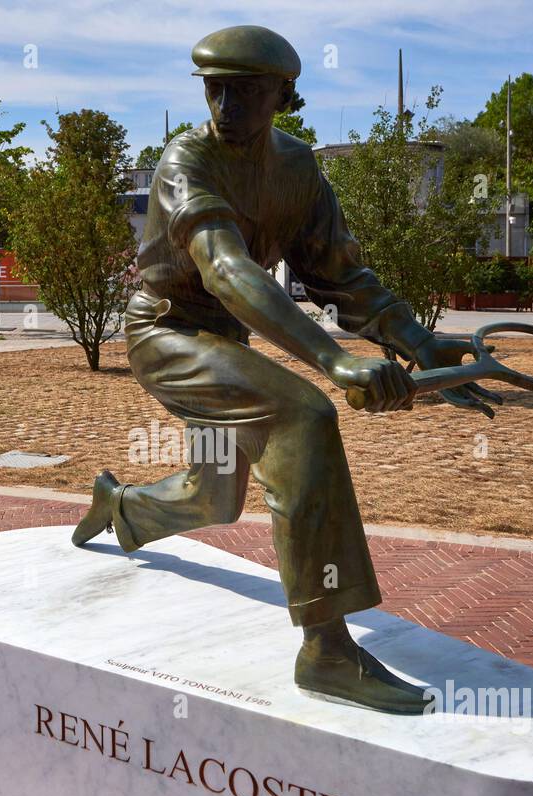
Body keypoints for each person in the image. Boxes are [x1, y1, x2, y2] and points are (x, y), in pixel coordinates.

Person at [73, 25, 500, 713]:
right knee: (303, 414)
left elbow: (340, 275)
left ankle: (120, 507)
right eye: (216, 90)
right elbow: (226, 268)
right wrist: (333, 360)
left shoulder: (299, 170)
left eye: (245, 92)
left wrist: (417, 341)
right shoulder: (186, 159)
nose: (226, 107)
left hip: (225, 339)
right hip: (165, 332)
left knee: (216, 498)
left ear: (283, 96)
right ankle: (326, 650)